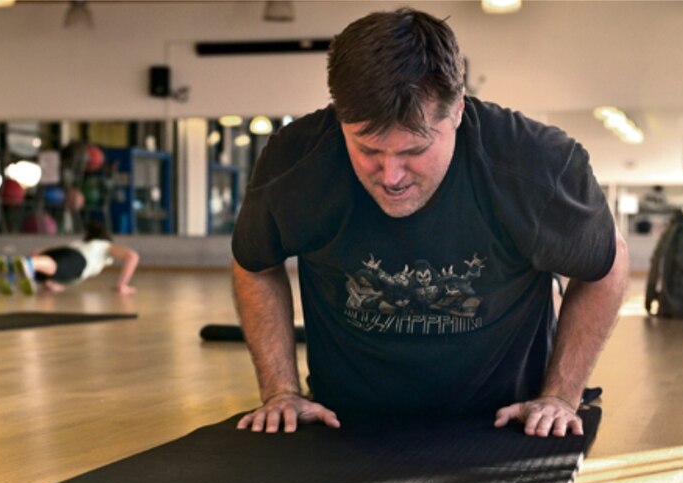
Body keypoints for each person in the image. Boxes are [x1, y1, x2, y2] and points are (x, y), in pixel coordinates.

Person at [231, 8, 629, 437]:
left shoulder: (535, 167)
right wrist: (280, 392)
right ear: (339, 117)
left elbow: (607, 265)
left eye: (413, 151)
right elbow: (255, 264)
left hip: (504, 422)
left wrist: (559, 396)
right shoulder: (295, 164)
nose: (391, 175)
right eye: (368, 149)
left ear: (457, 110)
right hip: (346, 423)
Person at [0, 220, 139, 296]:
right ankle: (29, 264)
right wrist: (122, 285)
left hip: (59, 254)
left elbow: (39, 251)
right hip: (78, 260)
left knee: (48, 268)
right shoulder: (105, 245)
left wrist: (49, 282)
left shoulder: (81, 243)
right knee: (54, 265)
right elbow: (132, 256)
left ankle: (12, 268)